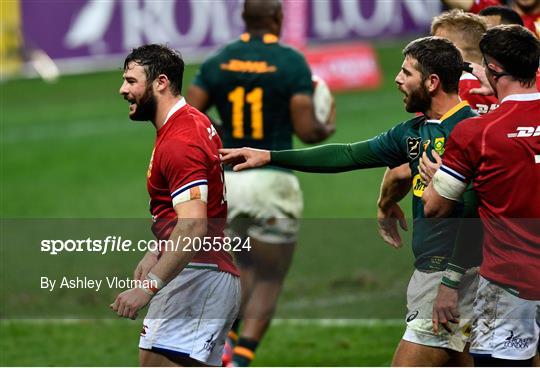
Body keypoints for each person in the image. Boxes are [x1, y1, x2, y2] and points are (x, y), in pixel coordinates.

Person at [220, 36, 480, 366]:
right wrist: (268, 155)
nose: (397, 79)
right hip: (439, 274)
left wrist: (450, 282)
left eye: (406, 72)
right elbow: (346, 154)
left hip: (450, 275)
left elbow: (475, 215)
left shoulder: (469, 132)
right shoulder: (412, 132)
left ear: (432, 82)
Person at [186, 0, 335, 366]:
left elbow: (189, 117)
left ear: (243, 17)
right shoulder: (290, 62)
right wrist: (327, 124)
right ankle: (240, 359)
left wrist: (222, 137)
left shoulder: (218, 60)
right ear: (278, 17)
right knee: (268, 277)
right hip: (273, 182)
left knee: (243, 268)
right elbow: (307, 131)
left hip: (229, 183)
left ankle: (224, 344)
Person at [111, 44, 241, 366]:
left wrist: (149, 287)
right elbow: (187, 213)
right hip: (203, 272)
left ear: (161, 82)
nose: (122, 89)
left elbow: (194, 225)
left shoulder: (181, 139)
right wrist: (156, 251)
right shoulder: (189, 123)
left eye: (131, 81)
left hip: (197, 275)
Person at [423, 25, 540, 366]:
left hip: (511, 284)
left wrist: (435, 176)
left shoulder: (476, 132)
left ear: (492, 69)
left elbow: (435, 208)